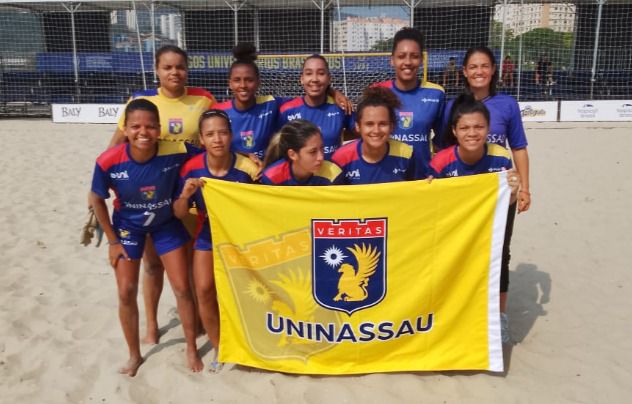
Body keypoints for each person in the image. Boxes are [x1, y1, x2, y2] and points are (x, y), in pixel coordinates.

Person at [107, 45, 215, 345]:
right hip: (151, 196)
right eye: (167, 67)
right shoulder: (141, 101)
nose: (174, 72)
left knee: (192, 260)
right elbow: (115, 147)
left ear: (187, 69)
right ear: (157, 69)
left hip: (189, 193)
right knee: (153, 265)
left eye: (180, 66)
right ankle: (152, 325)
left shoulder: (203, 99)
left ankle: (195, 319)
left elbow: (217, 134)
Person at [89, 99, 203, 375]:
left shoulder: (176, 149)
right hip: (128, 228)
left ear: (159, 129)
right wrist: (113, 241)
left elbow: (207, 156)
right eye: (136, 126)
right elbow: (95, 197)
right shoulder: (108, 161)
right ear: (125, 129)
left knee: (182, 287)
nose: (144, 132)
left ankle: (190, 347)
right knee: (126, 291)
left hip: (166, 224)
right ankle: (134, 356)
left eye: (150, 126)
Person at [430, 94, 521, 343]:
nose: (472, 133)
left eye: (479, 126)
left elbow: (507, 201)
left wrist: (513, 192)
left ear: (488, 128)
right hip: (453, 228)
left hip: (486, 224)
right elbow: (429, 206)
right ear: (454, 131)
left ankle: (498, 318)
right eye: (465, 127)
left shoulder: (500, 157)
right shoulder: (441, 161)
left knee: (499, 256)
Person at [173, 109, 259, 371]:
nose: (217, 139)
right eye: (210, 134)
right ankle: (220, 347)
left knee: (251, 293)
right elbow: (177, 212)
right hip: (208, 236)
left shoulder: (248, 168)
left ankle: (254, 342)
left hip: (245, 238)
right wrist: (186, 196)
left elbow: (263, 207)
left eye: (222, 132)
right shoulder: (192, 169)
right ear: (202, 139)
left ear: (231, 135)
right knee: (204, 290)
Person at [216, 44, 352, 160]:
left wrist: (333, 92)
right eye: (237, 80)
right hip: (234, 178)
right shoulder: (219, 112)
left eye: (249, 80)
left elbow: (313, 92)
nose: (243, 85)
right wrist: (244, 156)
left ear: (258, 82)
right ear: (229, 83)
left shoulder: (272, 104)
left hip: (269, 175)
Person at [371, 27, 445, 175]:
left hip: (422, 179)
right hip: (386, 177)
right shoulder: (377, 91)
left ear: (422, 60)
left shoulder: (436, 93)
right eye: (401, 56)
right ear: (392, 60)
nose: (408, 62)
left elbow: (442, 141)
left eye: (414, 56)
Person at [331, 87, 422, 184]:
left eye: (382, 124)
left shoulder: (406, 154)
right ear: (358, 126)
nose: (376, 131)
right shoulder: (341, 158)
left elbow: (419, 189)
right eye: (369, 124)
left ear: (391, 126)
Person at [277, 54, 353, 159]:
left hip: (332, 173)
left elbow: (362, 131)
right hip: (300, 175)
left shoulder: (340, 107)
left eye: (321, 73)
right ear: (302, 79)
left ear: (329, 79)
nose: (314, 79)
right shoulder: (287, 110)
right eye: (309, 73)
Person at [261, 119, 343, 185]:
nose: (321, 157)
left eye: (322, 148)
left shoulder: (333, 174)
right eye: (313, 152)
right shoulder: (271, 178)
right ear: (292, 155)